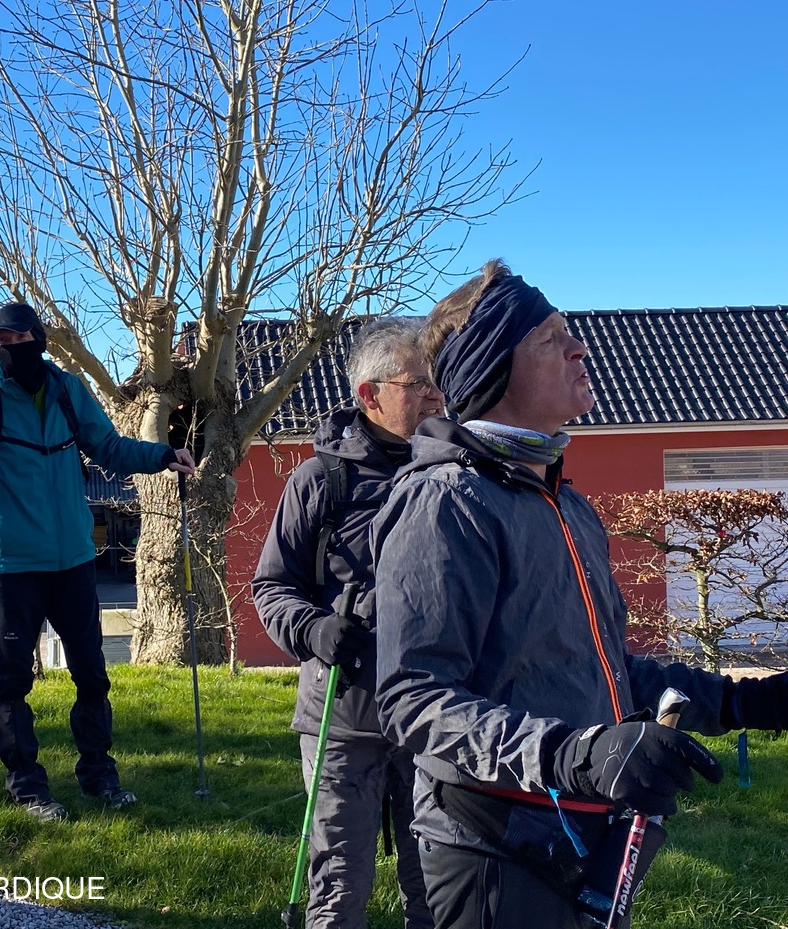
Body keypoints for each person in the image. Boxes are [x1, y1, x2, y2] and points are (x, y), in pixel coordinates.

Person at [370, 260, 788, 929]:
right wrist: (577, 754)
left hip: (582, 840)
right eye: (550, 338)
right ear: (491, 372)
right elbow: (413, 699)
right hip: (491, 850)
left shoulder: (566, 504)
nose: (579, 347)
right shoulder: (446, 504)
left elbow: (598, 668)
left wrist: (744, 701)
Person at [0, 301, 196, 820]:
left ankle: (99, 775)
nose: (9, 349)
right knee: (13, 681)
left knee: (92, 674)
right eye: (1, 342)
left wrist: (164, 456)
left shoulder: (69, 391)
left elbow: (110, 448)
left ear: (39, 339)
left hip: (73, 559)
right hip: (12, 564)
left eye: (18, 339)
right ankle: (27, 786)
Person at [253, 317, 439, 929]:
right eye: (418, 384)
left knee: (439, 888)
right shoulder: (319, 483)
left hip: (438, 715)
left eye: (437, 382)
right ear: (370, 394)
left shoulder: (454, 474)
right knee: (338, 887)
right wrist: (313, 630)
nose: (436, 395)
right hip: (344, 716)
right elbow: (272, 586)